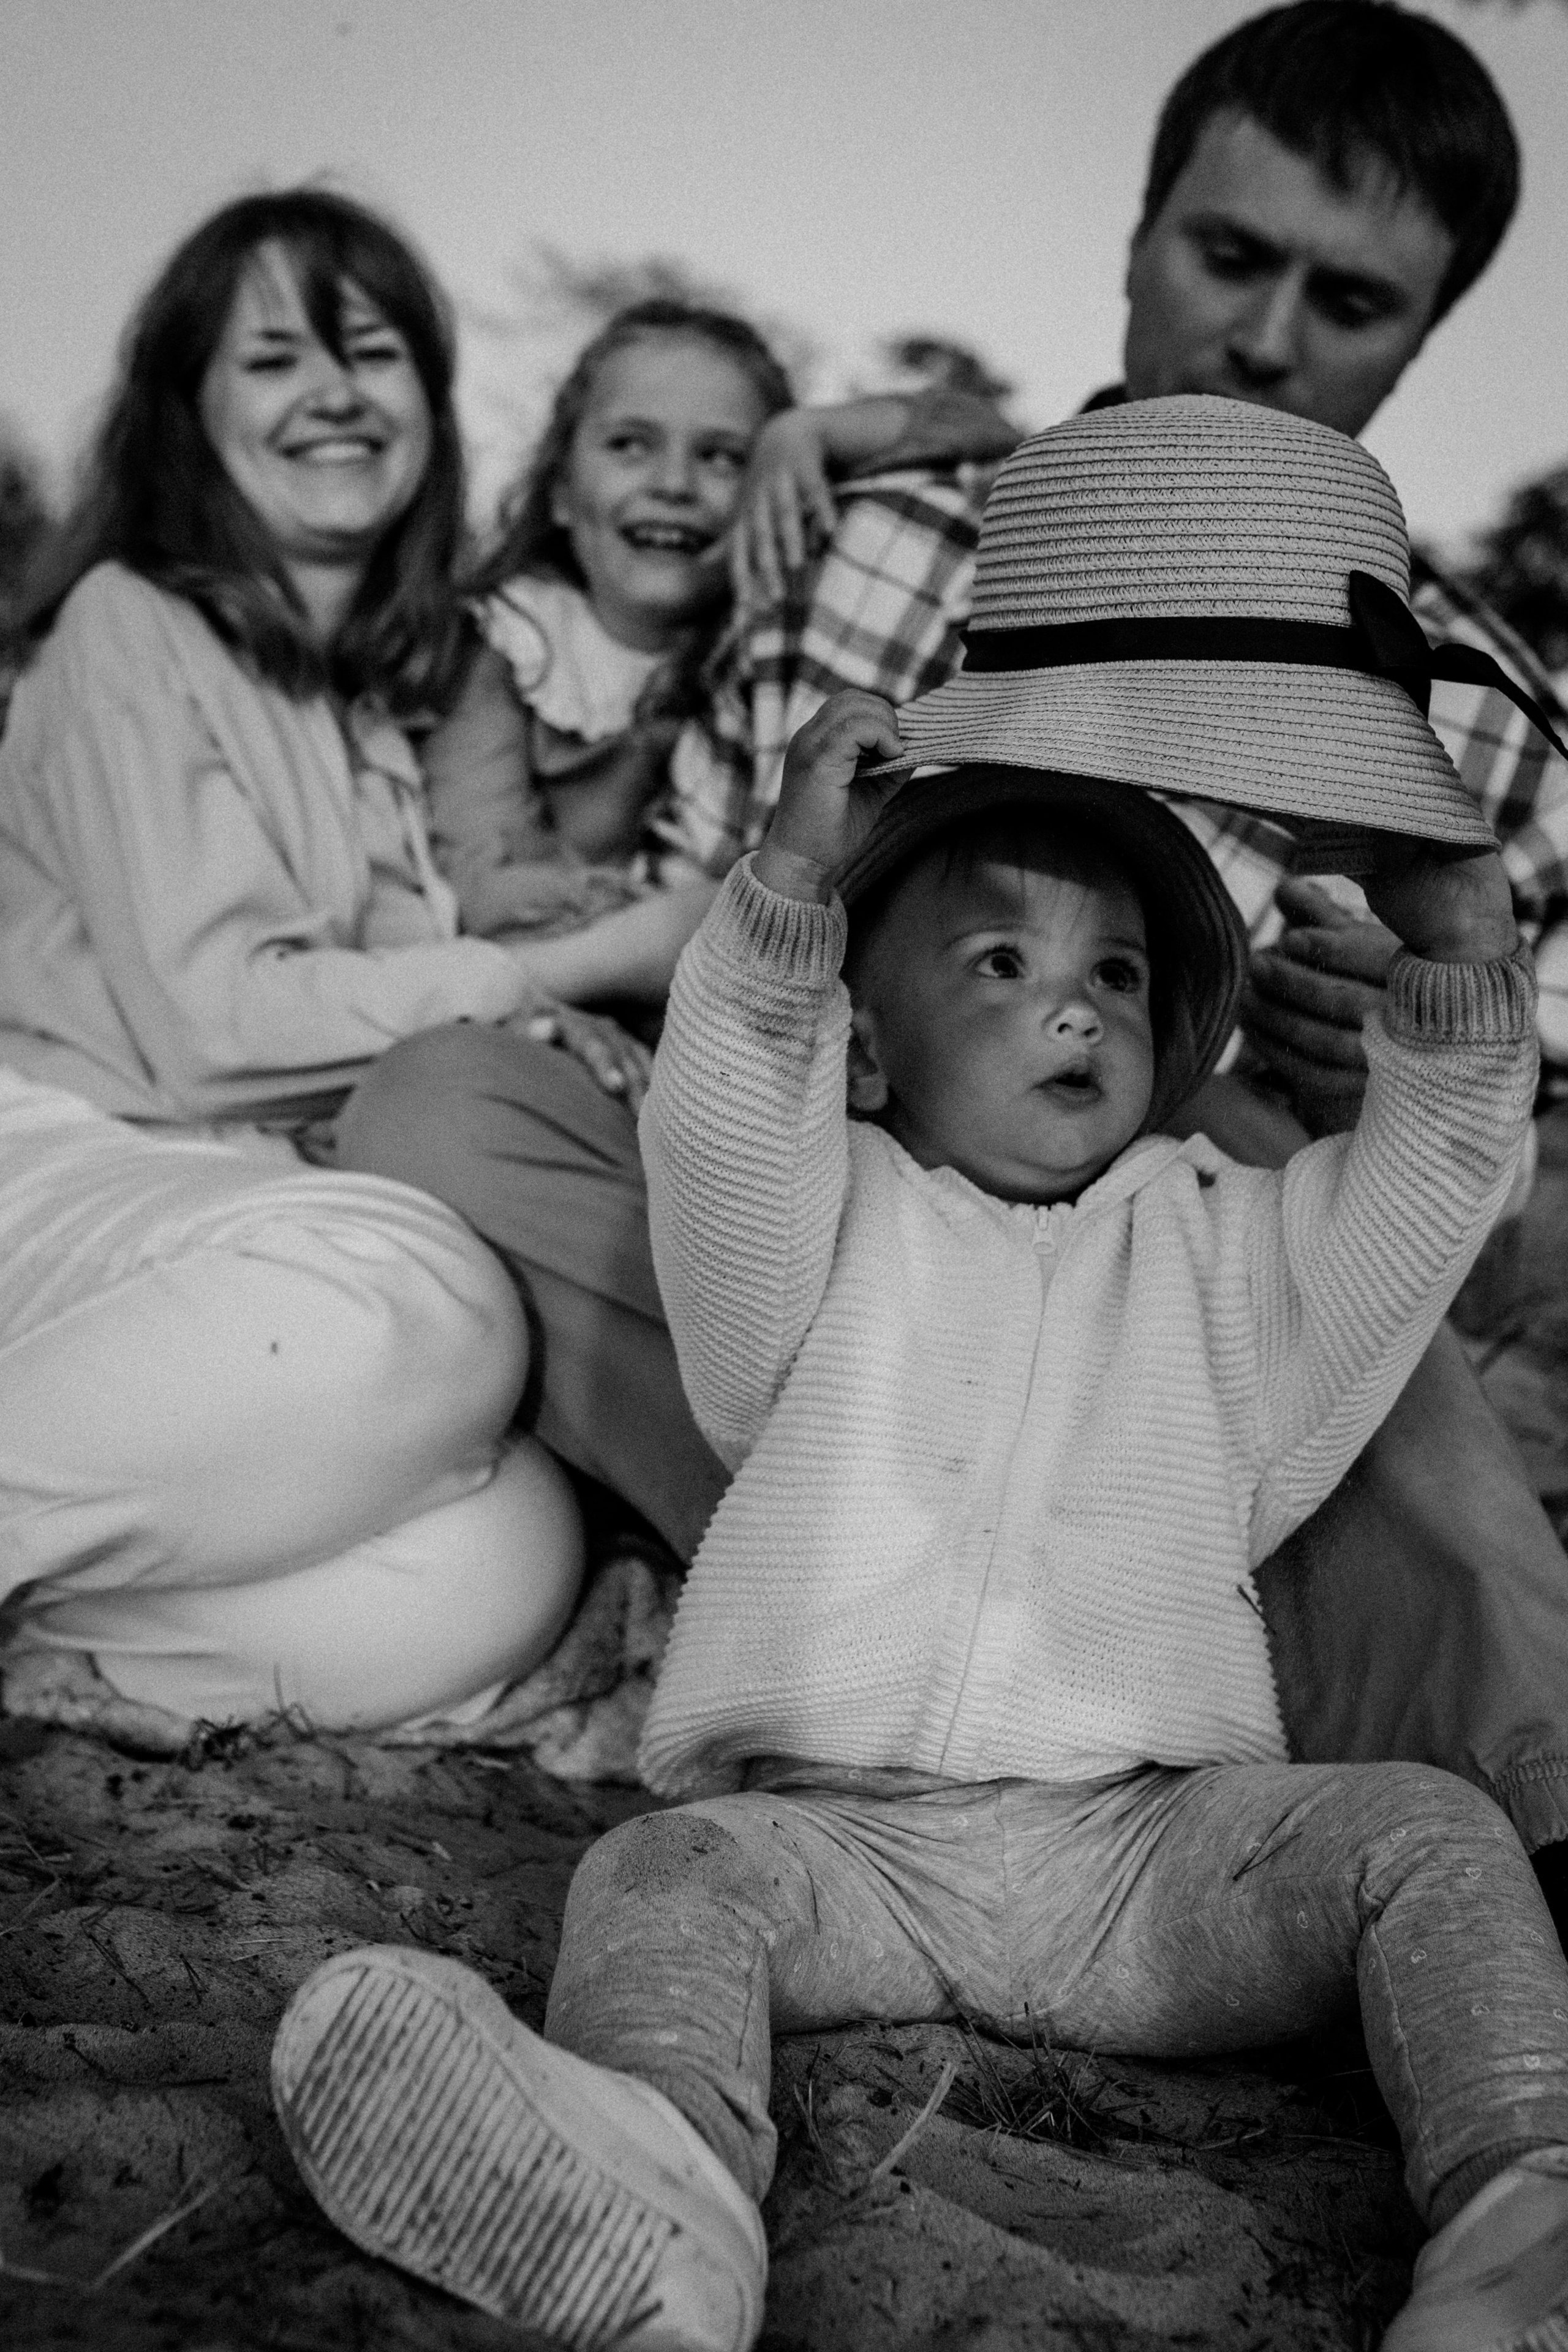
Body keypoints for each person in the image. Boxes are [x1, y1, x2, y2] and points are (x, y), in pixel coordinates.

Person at [271, 401, 1568, 2352]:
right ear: (865, 1054)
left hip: (1145, 1857)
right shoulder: (810, 1237)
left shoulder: (1219, 1243)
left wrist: (1459, 952)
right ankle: (661, 2187)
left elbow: (1423, 1200)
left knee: (1424, 1840)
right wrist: (788, 899)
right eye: (996, 960)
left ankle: (1522, 2220)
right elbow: (721, 1120)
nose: (1074, 998)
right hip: (838, 1847)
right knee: (657, 1874)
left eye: (1121, 972)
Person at [682, 0, 1568, 1871]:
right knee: (477, 1113)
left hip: (1224, 1265)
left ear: (1430, 330)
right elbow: (690, 931)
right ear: (1139, 231)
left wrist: (1403, 1030)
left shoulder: (1476, 712)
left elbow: (1483, 1156)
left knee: (1280, 1229)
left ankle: (1513, 1765)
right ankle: (870, 1600)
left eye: (1352, 302)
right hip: (823, 1197)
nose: (1261, 336)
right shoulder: (871, 545)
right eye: (1230, 255)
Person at [0, 188, 586, 1738]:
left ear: (427, 409)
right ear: (188, 417)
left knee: (501, 1557)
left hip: (221, 1205)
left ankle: (44, 1642)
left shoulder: (369, 715)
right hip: (64, 1162)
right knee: (411, 1295)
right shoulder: (129, 628)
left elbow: (386, 1002)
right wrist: (530, 976)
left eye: (372, 352)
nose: (334, 392)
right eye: (273, 359)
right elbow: (211, 1028)